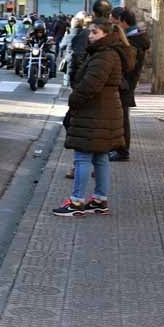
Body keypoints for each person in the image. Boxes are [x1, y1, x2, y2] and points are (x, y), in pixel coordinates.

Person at [53, 19, 133, 216]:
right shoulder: (108, 53)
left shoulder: (104, 56)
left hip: (94, 113)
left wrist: (74, 99)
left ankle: (77, 202)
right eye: (90, 32)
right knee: (100, 157)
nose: (89, 36)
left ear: (105, 34)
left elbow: (91, 85)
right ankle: (99, 200)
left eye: (94, 33)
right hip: (105, 111)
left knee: (83, 157)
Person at [109, 6, 149, 161]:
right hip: (125, 83)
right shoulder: (132, 37)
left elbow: (129, 66)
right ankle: (119, 149)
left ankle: (122, 151)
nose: (113, 22)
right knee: (120, 117)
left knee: (122, 118)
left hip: (125, 83)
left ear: (123, 22)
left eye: (115, 20)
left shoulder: (133, 40)